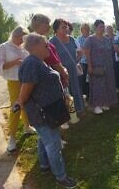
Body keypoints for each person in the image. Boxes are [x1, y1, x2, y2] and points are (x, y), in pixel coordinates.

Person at [17, 33, 77, 188]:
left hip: (49, 110)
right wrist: (20, 103)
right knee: (53, 144)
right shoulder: (32, 63)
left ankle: (44, 165)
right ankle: (61, 176)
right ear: (35, 46)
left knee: (45, 139)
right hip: (42, 112)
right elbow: (25, 91)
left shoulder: (38, 61)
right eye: (45, 45)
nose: (49, 48)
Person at [0, 26, 35, 152]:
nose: (22, 42)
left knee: (26, 103)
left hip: (26, 79)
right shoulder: (4, 46)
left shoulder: (23, 46)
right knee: (16, 107)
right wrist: (15, 62)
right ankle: (12, 138)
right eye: (21, 39)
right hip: (13, 80)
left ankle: (26, 126)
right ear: (15, 36)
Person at [50, 19, 85, 115]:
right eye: (63, 27)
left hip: (72, 71)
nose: (66, 28)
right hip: (60, 72)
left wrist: (75, 61)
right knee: (64, 93)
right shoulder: (52, 42)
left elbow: (80, 52)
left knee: (76, 89)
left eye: (66, 26)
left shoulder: (72, 39)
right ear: (56, 29)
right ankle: (67, 114)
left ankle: (78, 109)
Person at [84, 20, 118, 114]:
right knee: (97, 86)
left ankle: (105, 103)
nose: (102, 28)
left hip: (108, 66)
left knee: (107, 84)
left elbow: (111, 52)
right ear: (95, 28)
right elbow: (87, 53)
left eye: (103, 26)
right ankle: (96, 105)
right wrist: (90, 66)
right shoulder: (90, 39)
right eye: (100, 27)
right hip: (96, 66)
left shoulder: (107, 39)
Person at [30, 14, 69, 88]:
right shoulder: (39, 42)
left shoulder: (33, 40)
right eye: (47, 23)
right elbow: (54, 62)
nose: (49, 26)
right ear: (41, 24)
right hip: (50, 81)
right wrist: (64, 73)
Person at [76, 23, 90, 100]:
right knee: (82, 79)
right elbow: (81, 49)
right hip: (83, 61)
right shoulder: (79, 39)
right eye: (84, 29)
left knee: (90, 79)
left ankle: (89, 94)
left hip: (91, 61)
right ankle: (81, 95)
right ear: (81, 30)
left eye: (87, 28)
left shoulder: (92, 38)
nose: (86, 30)